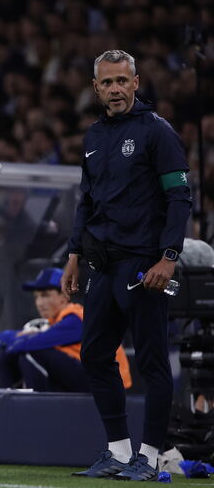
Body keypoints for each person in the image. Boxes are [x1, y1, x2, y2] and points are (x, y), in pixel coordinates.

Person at [61, 50, 192, 480]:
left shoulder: (158, 133)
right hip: (103, 264)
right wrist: (75, 254)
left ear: (136, 83)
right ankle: (119, 453)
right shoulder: (94, 136)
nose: (115, 89)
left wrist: (168, 257)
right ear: (95, 88)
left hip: (143, 265)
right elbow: (88, 201)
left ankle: (151, 456)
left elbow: (179, 198)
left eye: (122, 81)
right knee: (96, 355)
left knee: (152, 362)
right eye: (106, 83)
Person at [0, 267, 131, 392]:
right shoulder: (55, 323)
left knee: (31, 350)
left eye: (45, 295)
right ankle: (11, 399)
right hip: (92, 378)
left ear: (64, 295)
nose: (39, 303)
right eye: (36, 297)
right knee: (14, 353)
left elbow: (30, 344)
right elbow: (0, 338)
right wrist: (25, 338)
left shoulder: (77, 318)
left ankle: (34, 404)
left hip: (109, 384)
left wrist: (26, 338)